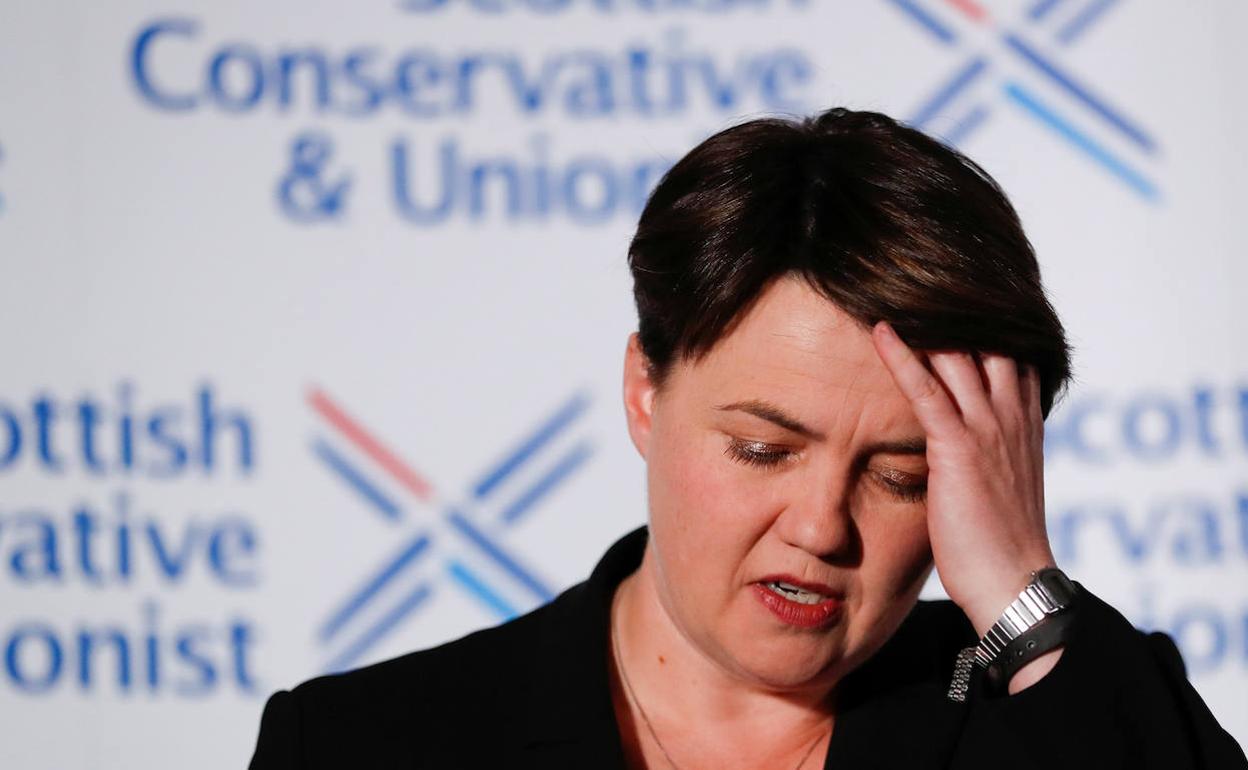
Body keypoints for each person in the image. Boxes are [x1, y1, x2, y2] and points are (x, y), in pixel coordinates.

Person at [248, 108, 1247, 769]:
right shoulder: (362, 743)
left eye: (901, 475)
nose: (820, 525)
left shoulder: (1053, 716)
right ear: (646, 387)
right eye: (763, 448)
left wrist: (1023, 587)